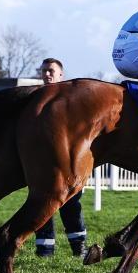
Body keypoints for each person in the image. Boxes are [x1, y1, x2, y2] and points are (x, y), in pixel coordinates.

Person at [33, 58, 88, 258]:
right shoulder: (35, 97)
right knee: (41, 205)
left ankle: (79, 249)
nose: (47, 74)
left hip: (68, 164)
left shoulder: (70, 98)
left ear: (60, 74)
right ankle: (45, 250)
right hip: (42, 163)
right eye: (44, 71)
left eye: (51, 71)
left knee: (71, 205)